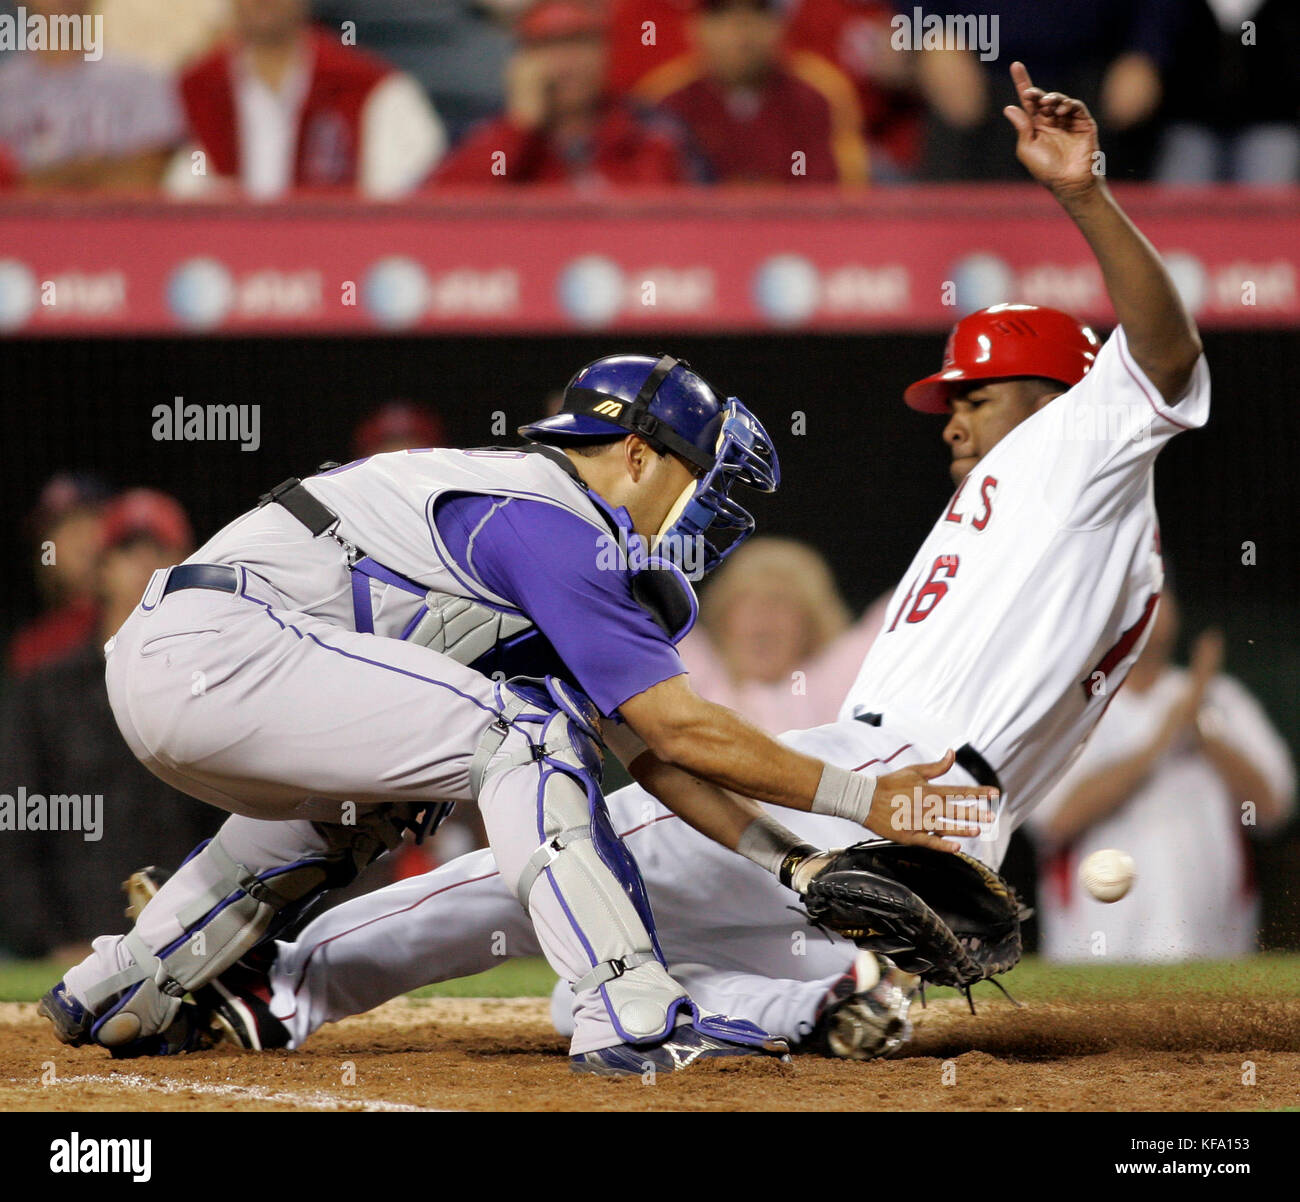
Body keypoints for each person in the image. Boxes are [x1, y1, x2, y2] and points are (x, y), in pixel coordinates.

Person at [200, 62, 1212, 1061]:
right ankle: (818, 1002)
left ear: (1056, 394)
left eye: (972, 397)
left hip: (889, 773)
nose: (948, 419)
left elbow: (1162, 358)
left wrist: (1083, 195)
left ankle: (279, 978)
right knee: (603, 977)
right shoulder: (1060, 520)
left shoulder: (1081, 446)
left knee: (562, 851)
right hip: (959, 827)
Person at [38, 352, 989, 1077]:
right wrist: (866, 799)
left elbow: (656, 760)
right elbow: (681, 728)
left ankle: (128, 988)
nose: (715, 513)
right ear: (635, 452)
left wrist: (795, 859)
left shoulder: (556, 528)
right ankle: (628, 1011)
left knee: (374, 806)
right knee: (523, 737)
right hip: (218, 651)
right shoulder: (550, 515)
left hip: (209, 671)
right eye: (705, 477)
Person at [1, 490, 221, 958]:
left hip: (194, 936)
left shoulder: (217, 681)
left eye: (160, 551)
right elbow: (15, 820)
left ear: (187, 567)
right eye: (127, 551)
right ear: (101, 571)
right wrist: (47, 940)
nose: (144, 564)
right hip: (77, 940)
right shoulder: (45, 690)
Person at [1028, 590, 1295, 962]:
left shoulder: (1222, 697)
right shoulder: (1072, 706)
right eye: (1134, 592)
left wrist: (1201, 727)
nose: (1149, 607)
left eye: (1158, 593)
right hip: (1095, 950)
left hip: (1213, 945)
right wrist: (1164, 736)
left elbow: (1273, 809)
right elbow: (1056, 820)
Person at [168, 0, 447, 200]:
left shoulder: (376, 94)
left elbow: (398, 210)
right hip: (226, 267)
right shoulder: (193, 91)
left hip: (338, 266)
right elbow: (172, 210)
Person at [434, 0, 699, 189]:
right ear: (522, 62)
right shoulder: (490, 140)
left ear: (606, 52)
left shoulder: (651, 138)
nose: (567, 63)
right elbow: (440, 214)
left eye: (580, 43)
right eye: (548, 45)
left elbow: (686, 230)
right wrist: (518, 128)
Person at [637, 0, 868, 185]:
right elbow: (654, 197)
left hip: (797, 236)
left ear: (781, 24)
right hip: (692, 238)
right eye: (722, 14)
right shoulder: (665, 98)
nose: (740, 28)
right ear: (694, 27)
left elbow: (840, 194)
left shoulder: (818, 93)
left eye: (757, 12)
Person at [680, 536, 888, 732]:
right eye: (748, 600)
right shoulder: (683, 667)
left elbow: (895, 619)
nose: (764, 616)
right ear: (723, 617)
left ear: (810, 630)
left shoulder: (821, 689)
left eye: (782, 604)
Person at [0, 0, 186, 193]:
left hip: (119, 222)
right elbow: (10, 190)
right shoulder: (5, 90)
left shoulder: (143, 84)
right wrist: (98, 171)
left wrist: (42, 180)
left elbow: (144, 178)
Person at [8, 473, 112, 677]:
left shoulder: (139, 622)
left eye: (91, 521)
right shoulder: (34, 644)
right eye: (62, 528)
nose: (81, 539)